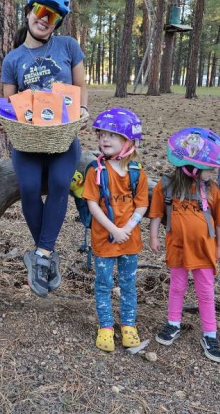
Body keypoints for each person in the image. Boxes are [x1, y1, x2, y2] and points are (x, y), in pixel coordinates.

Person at [1, 0, 89, 297]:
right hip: (27, 140)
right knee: (27, 187)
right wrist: (9, 120)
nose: (44, 18)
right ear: (28, 12)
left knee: (60, 184)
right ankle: (46, 254)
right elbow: (9, 104)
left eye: (52, 16)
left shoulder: (68, 47)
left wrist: (81, 111)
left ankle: (40, 256)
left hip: (62, 138)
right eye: (40, 11)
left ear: (57, 23)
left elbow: (80, 89)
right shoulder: (12, 59)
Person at [148, 128, 220, 363]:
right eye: (209, 167)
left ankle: (210, 334)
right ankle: (173, 323)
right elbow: (155, 215)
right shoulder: (166, 186)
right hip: (178, 248)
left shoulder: (213, 190)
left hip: (204, 251)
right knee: (176, 287)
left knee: (206, 292)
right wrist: (153, 238)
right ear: (192, 167)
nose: (213, 172)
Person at [82, 108, 148, 352]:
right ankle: (106, 326)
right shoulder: (95, 171)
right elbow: (92, 204)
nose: (104, 140)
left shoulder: (136, 172)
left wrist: (127, 228)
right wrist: (113, 229)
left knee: (129, 284)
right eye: (101, 135)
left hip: (129, 241)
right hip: (104, 239)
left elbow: (142, 204)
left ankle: (129, 325)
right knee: (103, 283)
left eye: (112, 135)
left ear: (128, 141)